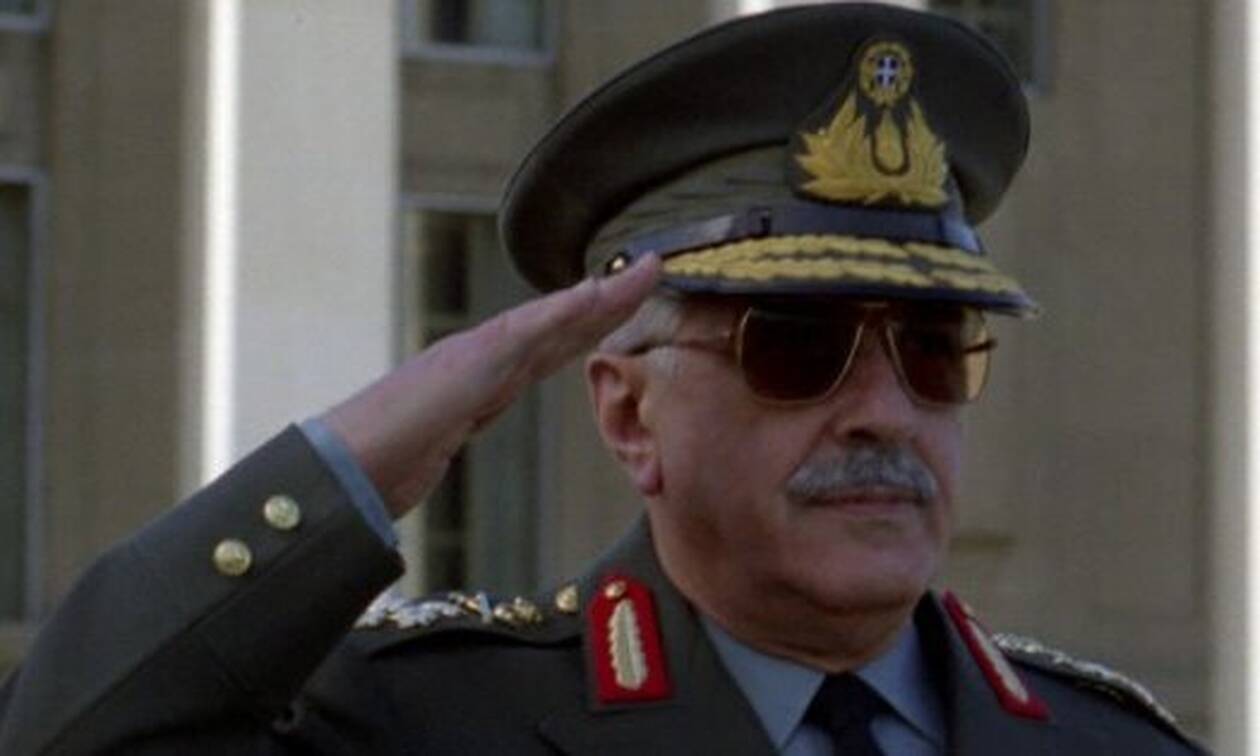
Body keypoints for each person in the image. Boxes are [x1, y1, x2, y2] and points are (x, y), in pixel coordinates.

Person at [0, 4, 1208, 754]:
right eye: (797, 348)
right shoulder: (428, 728)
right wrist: (364, 455)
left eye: (934, 351)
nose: (885, 411)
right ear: (630, 412)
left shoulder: (1109, 746)